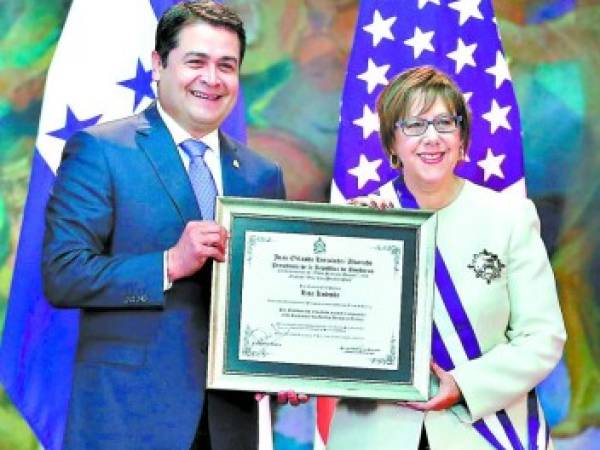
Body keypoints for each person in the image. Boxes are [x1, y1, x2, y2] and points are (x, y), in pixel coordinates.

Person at [42, 2, 305, 449]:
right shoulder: (101, 151)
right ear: (158, 65)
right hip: (128, 419)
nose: (212, 78)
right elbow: (63, 274)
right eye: (196, 61)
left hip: (230, 423)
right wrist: (167, 264)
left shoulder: (261, 174)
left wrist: (282, 364)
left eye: (227, 65)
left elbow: (268, 297)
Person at [326, 66, 566, 450]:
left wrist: (466, 386)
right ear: (392, 142)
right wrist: (356, 239)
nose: (432, 137)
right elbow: (329, 334)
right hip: (375, 434)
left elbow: (542, 337)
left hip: (485, 432)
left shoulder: (509, 217)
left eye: (444, 122)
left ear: (462, 138)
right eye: (415, 125)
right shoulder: (363, 218)